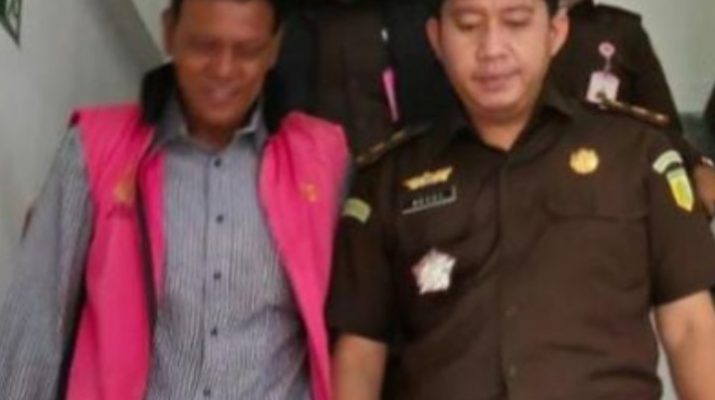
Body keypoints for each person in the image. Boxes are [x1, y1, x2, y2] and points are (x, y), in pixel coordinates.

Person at [327, 0, 715, 399]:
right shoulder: (388, 180)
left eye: (515, 22)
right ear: (437, 38)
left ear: (555, 32)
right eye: (468, 25)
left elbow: (690, 327)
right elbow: (360, 355)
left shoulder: (635, 154)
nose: (492, 49)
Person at [0, 0, 348, 399]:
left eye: (247, 51)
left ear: (274, 49)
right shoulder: (95, 151)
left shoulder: (322, 163)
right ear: (169, 33)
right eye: (204, 45)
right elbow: (36, 322)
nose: (224, 69)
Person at [552, 0, 715, 215]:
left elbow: (663, 127)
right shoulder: (521, 34)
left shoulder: (622, 32)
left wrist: (696, 165)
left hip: (612, 187)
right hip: (535, 179)